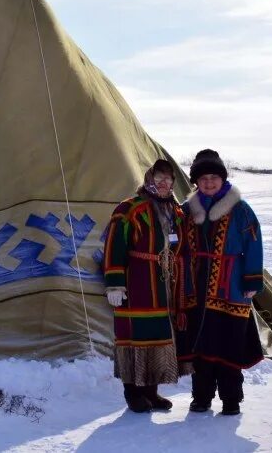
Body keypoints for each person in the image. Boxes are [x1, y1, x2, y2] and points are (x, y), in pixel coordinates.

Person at [179, 148, 264, 416]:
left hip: (231, 286)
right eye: (203, 178)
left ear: (223, 178)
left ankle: (231, 400)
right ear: (195, 181)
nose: (208, 182)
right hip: (197, 286)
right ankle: (201, 397)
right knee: (200, 344)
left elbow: (253, 244)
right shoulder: (187, 210)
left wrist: (252, 280)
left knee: (230, 343)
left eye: (214, 177)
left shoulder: (240, 209)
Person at [103, 158, 189, 413]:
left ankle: (151, 392)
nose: (163, 184)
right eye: (158, 178)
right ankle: (133, 393)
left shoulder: (176, 212)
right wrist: (115, 284)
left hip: (164, 288)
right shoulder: (129, 209)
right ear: (149, 179)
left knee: (157, 338)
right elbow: (113, 246)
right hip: (137, 284)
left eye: (168, 179)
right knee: (133, 338)